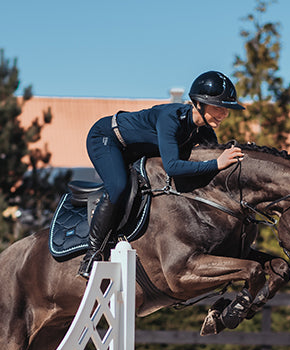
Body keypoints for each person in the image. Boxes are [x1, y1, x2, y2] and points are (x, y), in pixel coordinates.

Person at [78, 70, 246, 279]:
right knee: (119, 186)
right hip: (107, 138)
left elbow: (215, 160)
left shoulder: (202, 130)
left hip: (133, 151)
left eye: (226, 110)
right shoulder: (171, 119)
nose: (224, 115)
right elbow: (174, 167)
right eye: (219, 108)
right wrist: (216, 163)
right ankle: (92, 254)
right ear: (199, 104)